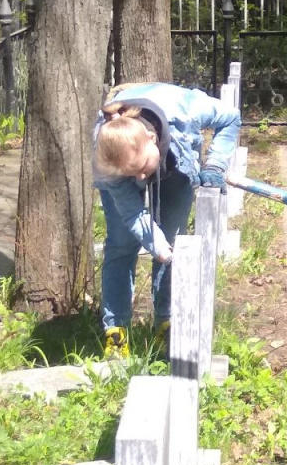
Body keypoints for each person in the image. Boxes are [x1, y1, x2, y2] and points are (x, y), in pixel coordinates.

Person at [93, 82, 241, 358]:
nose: (139, 179)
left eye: (141, 170)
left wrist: (215, 164)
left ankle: (167, 322)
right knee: (122, 243)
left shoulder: (188, 110)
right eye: (131, 174)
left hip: (176, 163)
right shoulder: (109, 152)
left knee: (174, 240)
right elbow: (132, 213)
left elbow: (231, 117)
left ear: (151, 138)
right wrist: (155, 246)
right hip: (136, 160)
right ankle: (116, 331)